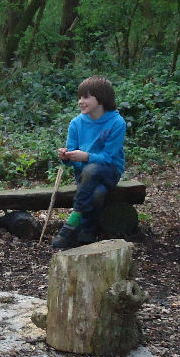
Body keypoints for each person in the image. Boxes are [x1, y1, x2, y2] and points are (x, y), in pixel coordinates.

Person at [52, 76, 126, 249]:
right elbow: (72, 159)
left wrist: (86, 157)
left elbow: (109, 158)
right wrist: (66, 157)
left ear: (101, 98)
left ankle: (72, 221)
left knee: (92, 169)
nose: (80, 101)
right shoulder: (76, 123)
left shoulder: (117, 122)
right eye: (80, 97)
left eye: (86, 97)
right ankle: (87, 230)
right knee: (98, 193)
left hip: (109, 171)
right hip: (84, 176)